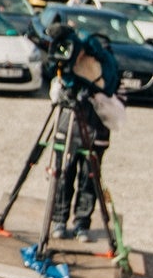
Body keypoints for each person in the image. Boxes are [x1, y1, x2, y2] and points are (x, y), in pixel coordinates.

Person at [48, 26, 121, 243]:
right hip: (67, 126)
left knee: (89, 178)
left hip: (94, 130)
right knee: (63, 174)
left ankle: (82, 224)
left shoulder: (102, 65)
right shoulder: (70, 66)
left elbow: (110, 89)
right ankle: (59, 220)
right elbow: (54, 70)